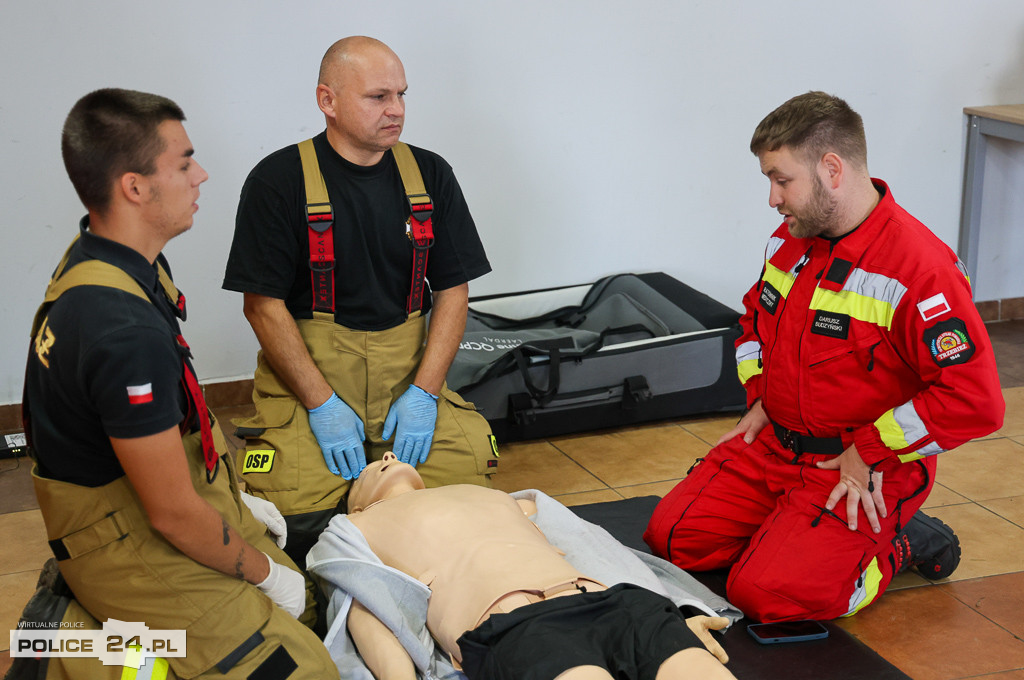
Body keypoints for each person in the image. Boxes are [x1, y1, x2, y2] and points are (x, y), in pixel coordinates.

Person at [645, 91, 1006, 623]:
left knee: (767, 596)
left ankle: (896, 547)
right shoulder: (790, 241)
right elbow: (751, 324)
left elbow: (975, 402)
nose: (772, 198)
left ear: (831, 169)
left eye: (781, 179)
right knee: (674, 539)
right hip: (775, 444)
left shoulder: (919, 269)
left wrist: (871, 449)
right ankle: (791, 530)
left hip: (858, 468)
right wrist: (761, 396)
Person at [21, 88, 338, 679]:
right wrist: (266, 575)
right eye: (185, 162)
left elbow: (174, 419)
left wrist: (240, 503)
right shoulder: (120, 331)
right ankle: (69, 648)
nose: (202, 175)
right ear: (136, 187)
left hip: (154, 493)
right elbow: (170, 515)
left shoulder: (108, 259)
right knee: (303, 668)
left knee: (312, 605)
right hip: (123, 539)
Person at [223, 36, 497, 566]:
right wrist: (321, 405)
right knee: (291, 524)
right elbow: (261, 306)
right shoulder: (277, 182)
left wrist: (425, 395)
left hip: (407, 377)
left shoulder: (431, 173)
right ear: (328, 100)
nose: (396, 110)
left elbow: (454, 291)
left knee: (471, 493)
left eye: (401, 94)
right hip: (314, 383)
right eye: (378, 97)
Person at [307, 452, 737, 680]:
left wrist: (678, 607)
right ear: (356, 503)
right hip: (518, 626)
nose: (386, 454)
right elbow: (364, 603)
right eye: (366, 469)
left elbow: (590, 545)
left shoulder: (503, 497)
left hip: (614, 603)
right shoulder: (353, 528)